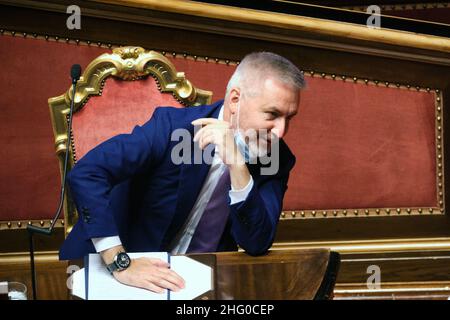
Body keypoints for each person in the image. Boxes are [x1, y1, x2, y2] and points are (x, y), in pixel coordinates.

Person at [59, 52, 305, 293]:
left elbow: (257, 242)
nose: (281, 131)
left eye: (289, 117)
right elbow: (87, 173)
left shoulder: (277, 158)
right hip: (119, 270)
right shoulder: (172, 129)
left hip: (197, 282)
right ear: (235, 100)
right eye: (272, 114)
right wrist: (120, 262)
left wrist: (238, 167)